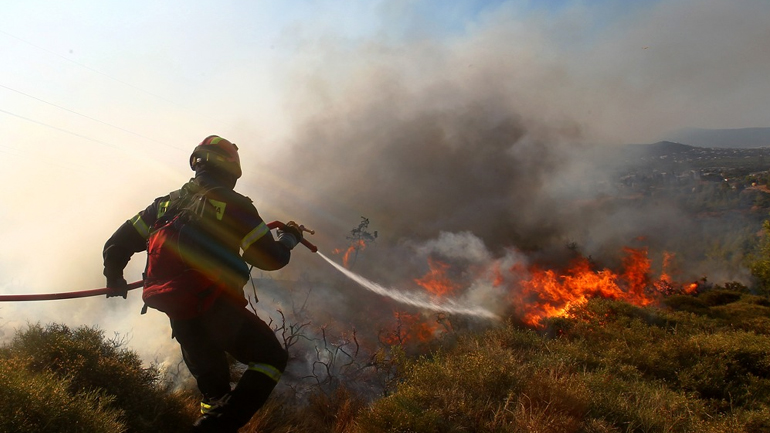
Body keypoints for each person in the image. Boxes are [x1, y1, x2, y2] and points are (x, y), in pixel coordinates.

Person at [102, 135, 302, 432]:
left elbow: (117, 243)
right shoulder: (236, 205)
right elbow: (271, 259)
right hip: (216, 308)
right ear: (232, 170)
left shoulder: (165, 204)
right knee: (270, 359)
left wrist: (114, 277)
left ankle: (211, 420)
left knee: (214, 394)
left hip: (180, 314)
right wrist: (289, 239)